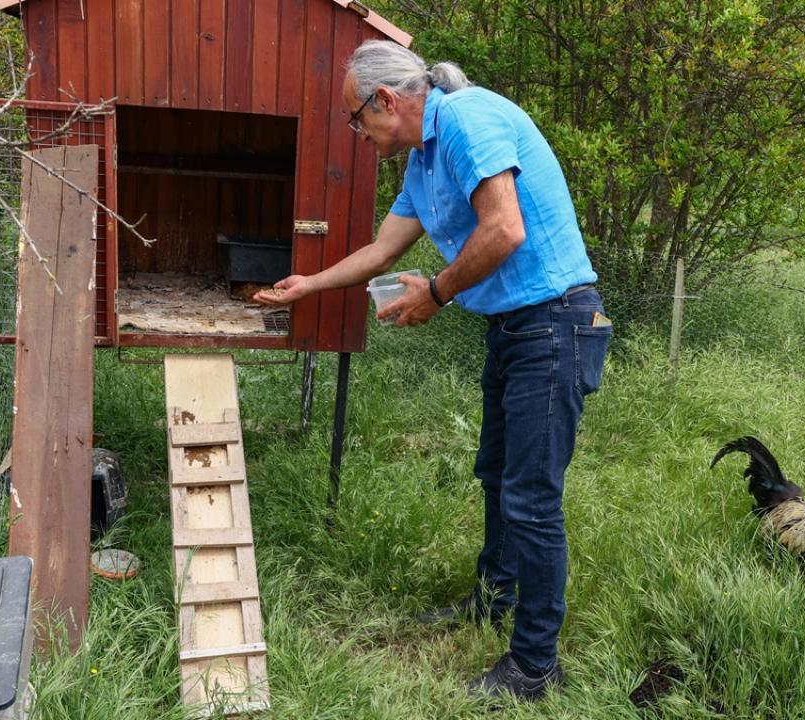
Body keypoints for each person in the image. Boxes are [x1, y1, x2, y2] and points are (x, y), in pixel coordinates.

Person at [254, 39, 612, 702]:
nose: (358, 133)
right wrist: (309, 285)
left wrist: (437, 292)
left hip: (556, 324)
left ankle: (535, 666)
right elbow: (383, 249)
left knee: (531, 498)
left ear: (386, 100)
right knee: (497, 477)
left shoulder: (468, 119)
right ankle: (494, 600)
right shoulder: (422, 159)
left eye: (357, 119)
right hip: (514, 329)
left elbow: (505, 230)